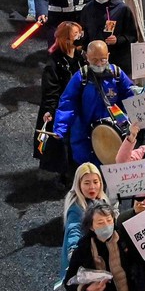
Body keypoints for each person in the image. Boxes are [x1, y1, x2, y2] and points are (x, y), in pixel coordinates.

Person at [53, 40, 137, 169]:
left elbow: (132, 96)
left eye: (103, 59)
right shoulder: (82, 77)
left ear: (108, 55)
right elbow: (67, 103)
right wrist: (60, 128)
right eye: (94, 60)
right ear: (87, 57)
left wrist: (134, 120)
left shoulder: (117, 74)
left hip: (115, 126)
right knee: (87, 167)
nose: (98, 64)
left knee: (118, 163)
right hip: (85, 128)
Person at [38, 20, 85, 175]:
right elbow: (51, 91)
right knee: (63, 147)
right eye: (76, 35)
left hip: (79, 107)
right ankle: (64, 176)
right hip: (62, 110)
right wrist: (50, 111)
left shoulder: (80, 57)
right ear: (66, 40)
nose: (80, 38)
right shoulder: (53, 64)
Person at [61, 162, 110, 273]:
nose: (92, 187)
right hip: (87, 257)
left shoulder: (102, 200)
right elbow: (74, 229)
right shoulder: (76, 208)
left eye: (95, 182)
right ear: (79, 184)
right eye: (87, 183)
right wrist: (73, 250)